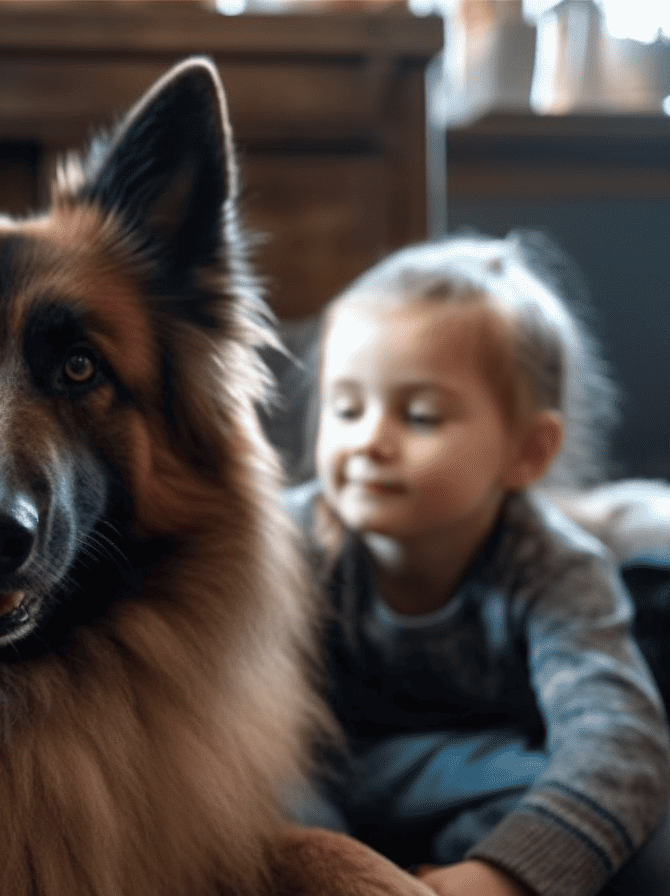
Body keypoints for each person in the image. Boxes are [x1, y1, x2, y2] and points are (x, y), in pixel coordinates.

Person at [284, 233, 670, 896]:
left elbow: (620, 739)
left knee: (633, 823)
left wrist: (502, 874)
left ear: (526, 451)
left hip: (472, 776)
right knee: (257, 794)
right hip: (317, 778)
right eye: (346, 408)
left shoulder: (555, 570)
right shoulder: (292, 541)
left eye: (421, 416)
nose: (369, 440)